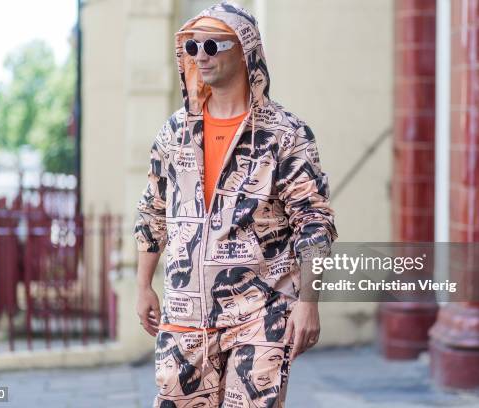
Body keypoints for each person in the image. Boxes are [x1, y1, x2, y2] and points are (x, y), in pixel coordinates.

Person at [134, 3, 337, 407]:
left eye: (212, 44)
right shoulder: (174, 132)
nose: (201, 55)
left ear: (245, 50)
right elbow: (153, 211)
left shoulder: (287, 134)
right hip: (185, 311)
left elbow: (313, 222)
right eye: (191, 47)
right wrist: (143, 285)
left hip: (263, 311)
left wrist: (309, 303)